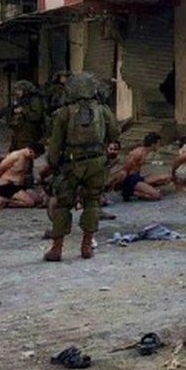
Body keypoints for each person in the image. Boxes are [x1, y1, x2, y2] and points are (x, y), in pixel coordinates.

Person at [45, 72, 120, 261]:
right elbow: (114, 133)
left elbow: (55, 144)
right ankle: (87, 246)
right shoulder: (102, 110)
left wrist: (53, 165)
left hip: (72, 163)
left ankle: (57, 248)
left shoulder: (64, 113)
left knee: (63, 204)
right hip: (97, 162)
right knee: (93, 202)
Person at [120, 133, 172, 202]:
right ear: (153, 144)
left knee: (167, 177)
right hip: (131, 180)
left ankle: (142, 189)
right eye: (159, 143)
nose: (160, 146)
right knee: (157, 196)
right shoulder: (139, 153)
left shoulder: (145, 152)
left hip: (137, 178)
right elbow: (125, 169)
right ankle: (132, 192)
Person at [0, 143, 46, 209]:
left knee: (38, 200)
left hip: (19, 185)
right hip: (8, 185)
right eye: (36, 156)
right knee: (30, 203)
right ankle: (6, 201)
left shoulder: (28, 158)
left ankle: (16, 198)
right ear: (31, 151)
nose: (36, 158)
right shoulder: (15, 156)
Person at [8, 80, 46, 151]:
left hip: (28, 134)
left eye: (19, 90)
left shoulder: (35, 100)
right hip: (17, 133)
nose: (16, 92)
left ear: (26, 91)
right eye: (16, 90)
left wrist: (23, 111)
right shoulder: (21, 100)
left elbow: (37, 116)